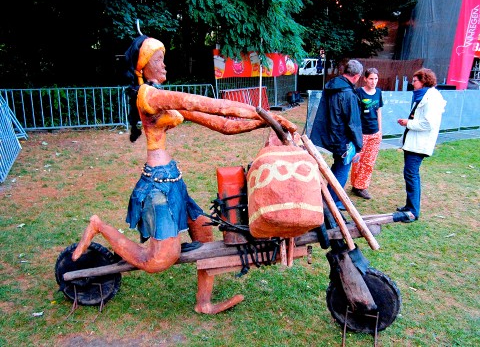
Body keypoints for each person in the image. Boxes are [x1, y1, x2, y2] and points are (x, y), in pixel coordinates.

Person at [71, 35, 297, 313]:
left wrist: (272, 125)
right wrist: (269, 116)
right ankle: (98, 226)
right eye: (158, 60)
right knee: (157, 262)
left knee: (204, 239)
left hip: (173, 181)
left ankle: (203, 304)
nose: (164, 65)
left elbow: (223, 123)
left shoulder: (163, 97)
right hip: (157, 188)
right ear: (142, 67)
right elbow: (217, 106)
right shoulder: (150, 96)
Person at [310, 59, 364, 211]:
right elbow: (353, 123)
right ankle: (333, 202)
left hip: (333, 135)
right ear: (357, 76)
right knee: (342, 169)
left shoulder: (332, 87)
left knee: (337, 167)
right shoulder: (348, 94)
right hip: (343, 139)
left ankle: (330, 197)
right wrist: (359, 145)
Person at [396, 68, 446, 222]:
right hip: (413, 143)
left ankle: (413, 211)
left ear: (424, 80)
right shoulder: (423, 95)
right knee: (410, 174)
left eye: (415, 80)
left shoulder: (432, 99)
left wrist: (408, 123)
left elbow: (428, 124)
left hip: (420, 144)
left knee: (411, 174)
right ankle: (410, 206)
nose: (412, 83)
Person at [350, 68, 383, 200]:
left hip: (374, 133)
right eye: (371, 78)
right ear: (365, 79)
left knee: (369, 162)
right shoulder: (358, 93)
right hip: (361, 133)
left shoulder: (379, 92)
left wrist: (380, 130)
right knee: (357, 161)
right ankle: (355, 184)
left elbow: (379, 111)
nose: (373, 81)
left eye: (376, 79)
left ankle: (361, 186)